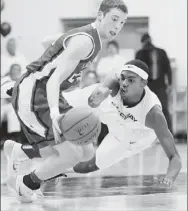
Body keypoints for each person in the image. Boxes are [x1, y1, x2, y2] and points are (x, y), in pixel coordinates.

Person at [4, 0, 128, 202]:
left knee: (87, 150)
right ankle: (25, 184)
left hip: (46, 91)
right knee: (71, 154)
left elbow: (49, 42)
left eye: (122, 22)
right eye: (114, 19)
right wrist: (54, 113)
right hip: (37, 95)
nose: (118, 26)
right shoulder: (86, 41)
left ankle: (20, 152)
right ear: (100, 15)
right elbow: (53, 80)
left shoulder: (90, 38)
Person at [65, 59, 182, 188]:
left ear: (143, 83)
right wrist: (96, 99)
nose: (124, 83)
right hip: (114, 110)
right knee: (67, 101)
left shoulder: (153, 114)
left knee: (90, 165)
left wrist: (169, 178)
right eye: (123, 78)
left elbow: (175, 157)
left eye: (131, 80)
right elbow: (92, 102)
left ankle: (60, 169)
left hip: (133, 134)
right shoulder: (114, 84)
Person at [135, 33, 172, 133]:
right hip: (150, 85)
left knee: (162, 108)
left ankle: (167, 133)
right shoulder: (141, 53)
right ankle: (148, 134)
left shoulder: (161, 52)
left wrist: (170, 84)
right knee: (148, 109)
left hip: (158, 85)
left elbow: (168, 69)